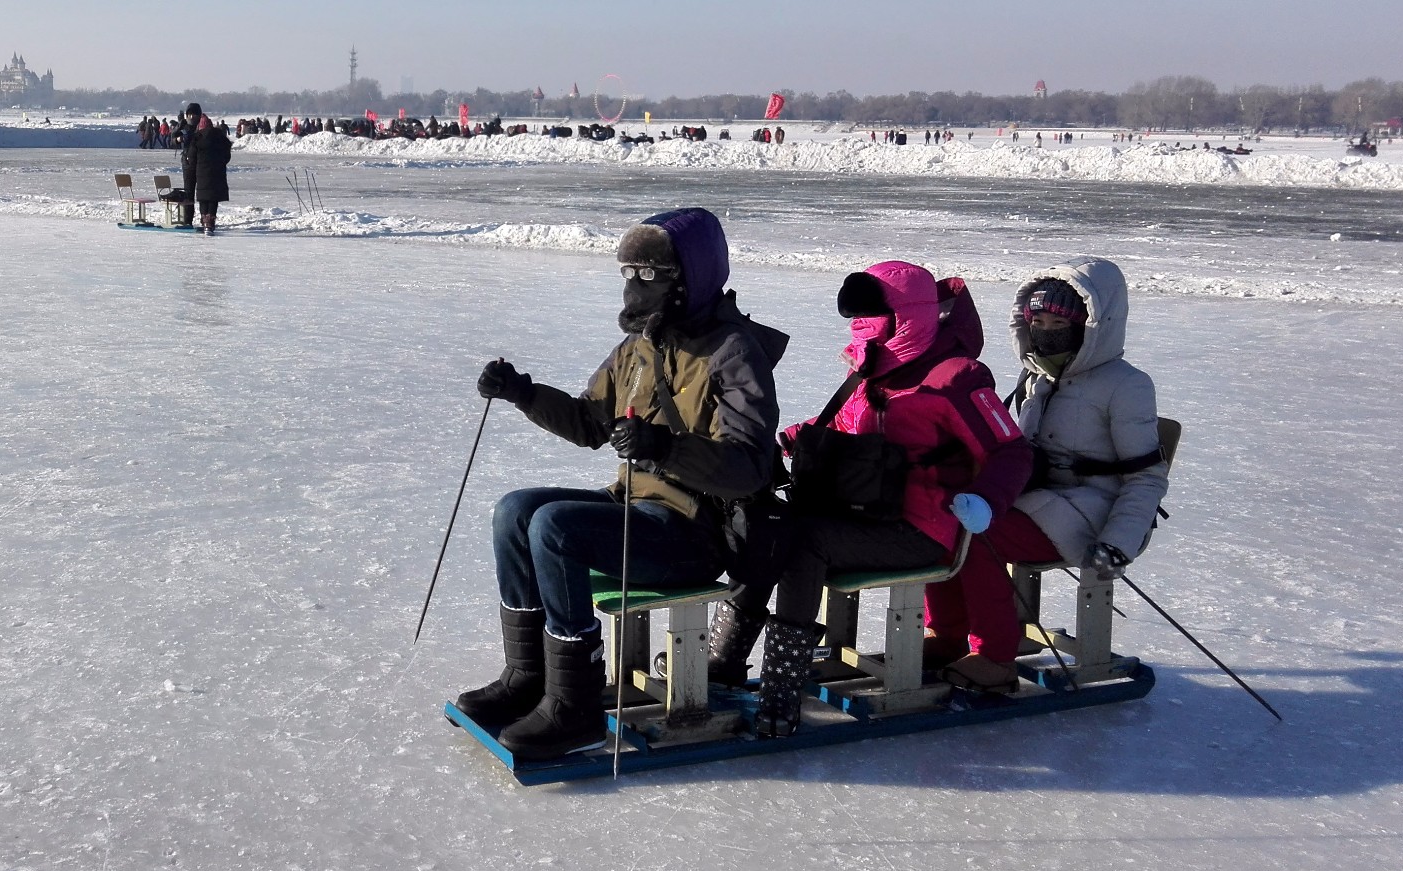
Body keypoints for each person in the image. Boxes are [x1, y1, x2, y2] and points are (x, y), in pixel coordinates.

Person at [456, 208, 787, 760]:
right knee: (515, 510)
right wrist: (523, 392)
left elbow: (749, 467)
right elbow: (591, 423)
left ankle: (574, 706)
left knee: (556, 527)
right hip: (636, 509)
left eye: (649, 275)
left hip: (695, 533)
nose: (634, 287)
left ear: (688, 279)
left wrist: (666, 447)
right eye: (628, 274)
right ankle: (528, 677)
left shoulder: (733, 353)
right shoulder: (639, 348)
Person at [755, 261, 1033, 736]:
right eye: (856, 316)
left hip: (926, 529)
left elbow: (1011, 449)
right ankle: (741, 658)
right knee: (772, 527)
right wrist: (797, 439)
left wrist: (985, 500)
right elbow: (847, 428)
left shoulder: (955, 378)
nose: (861, 326)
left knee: (805, 543)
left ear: (909, 315)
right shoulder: (871, 372)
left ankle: (783, 680)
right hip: (869, 512)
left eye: (872, 314)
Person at [924, 259, 1168, 679]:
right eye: (1037, 318)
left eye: (1058, 320)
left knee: (976, 536)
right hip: (1039, 499)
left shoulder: (1127, 385)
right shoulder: (1038, 376)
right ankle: (946, 635)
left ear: (1093, 324)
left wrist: (1117, 543)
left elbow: (1146, 478)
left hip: (1094, 514)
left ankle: (994, 655)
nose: (1045, 328)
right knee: (944, 517)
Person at [191, 114, 233, 235]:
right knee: (213, 198)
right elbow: (227, 156)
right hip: (217, 172)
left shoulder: (197, 138)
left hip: (202, 172)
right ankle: (211, 222)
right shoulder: (221, 138)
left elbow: (192, 157)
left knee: (203, 197)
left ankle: (205, 222)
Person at [177, 103, 208, 227]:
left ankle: (205, 219)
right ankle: (187, 220)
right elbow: (173, 139)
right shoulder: (184, 126)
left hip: (201, 163)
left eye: (194, 114)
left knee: (202, 192)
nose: (191, 117)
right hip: (188, 163)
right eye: (190, 114)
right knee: (188, 192)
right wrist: (179, 139)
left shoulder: (203, 126)